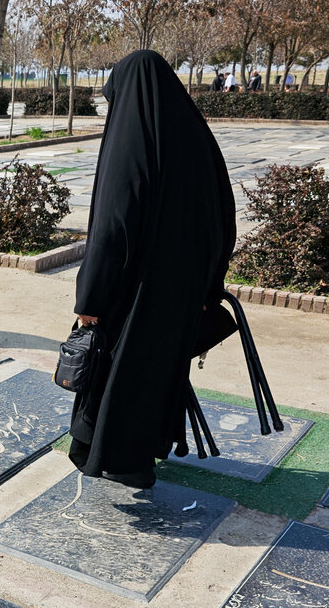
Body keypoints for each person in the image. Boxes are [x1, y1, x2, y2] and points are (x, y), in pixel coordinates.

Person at [69, 50, 236, 490]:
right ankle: (138, 460)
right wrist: (209, 285)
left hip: (137, 290)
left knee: (122, 375)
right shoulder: (196, 137)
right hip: (182, 291)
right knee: (155, 375)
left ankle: (116, 460)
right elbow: (223, 216)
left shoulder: (132, 140)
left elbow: (112, 226)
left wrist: (90, 299)